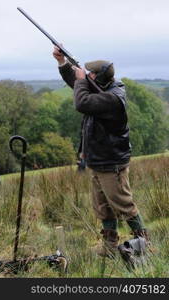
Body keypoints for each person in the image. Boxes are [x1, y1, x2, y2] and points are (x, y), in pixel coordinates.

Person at [52, 46, 149, 257]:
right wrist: (63, 63)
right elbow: (80, 86)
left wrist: (80, 80)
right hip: (97, 160)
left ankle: (145, 243)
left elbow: (81, 100)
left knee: (124, 204)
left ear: (100, 78)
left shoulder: (113, 98)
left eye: (92, 74)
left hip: (111, 162)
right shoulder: (104, 88)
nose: (88, 76)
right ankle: (109, 247)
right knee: (102, 207)